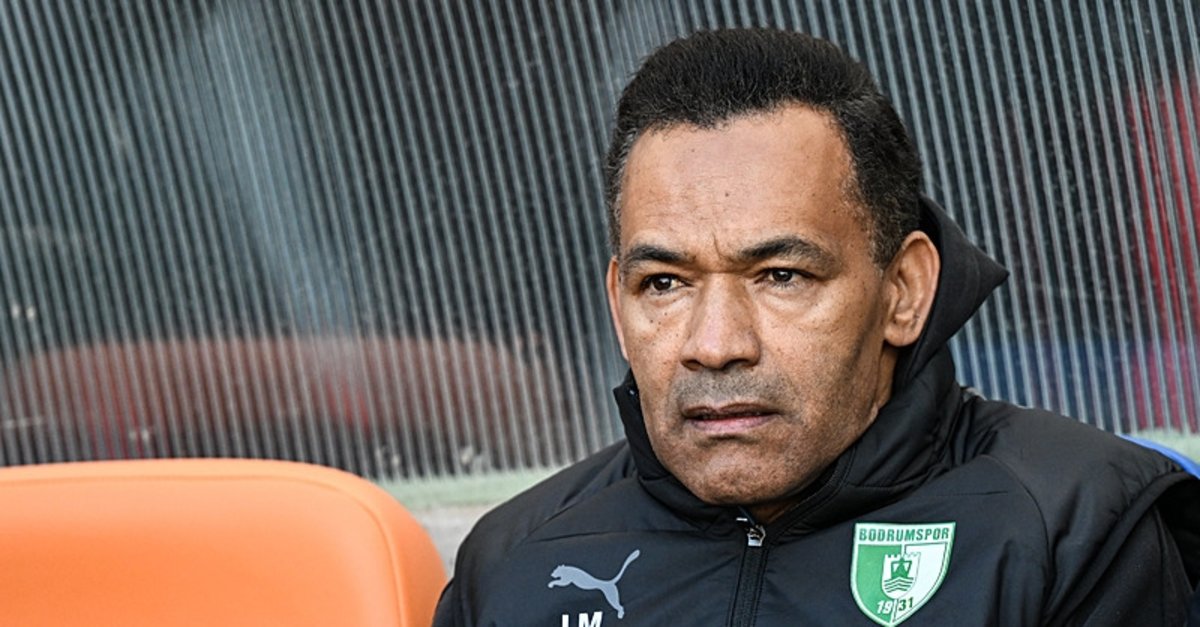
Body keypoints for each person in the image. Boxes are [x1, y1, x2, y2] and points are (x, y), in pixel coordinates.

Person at [433, 28, 1200, 626]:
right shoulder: (513, 562)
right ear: (617, 302)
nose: (714, 344)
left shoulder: (1073, 527)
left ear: (904, 289)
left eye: (781, 275)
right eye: (664, 283)